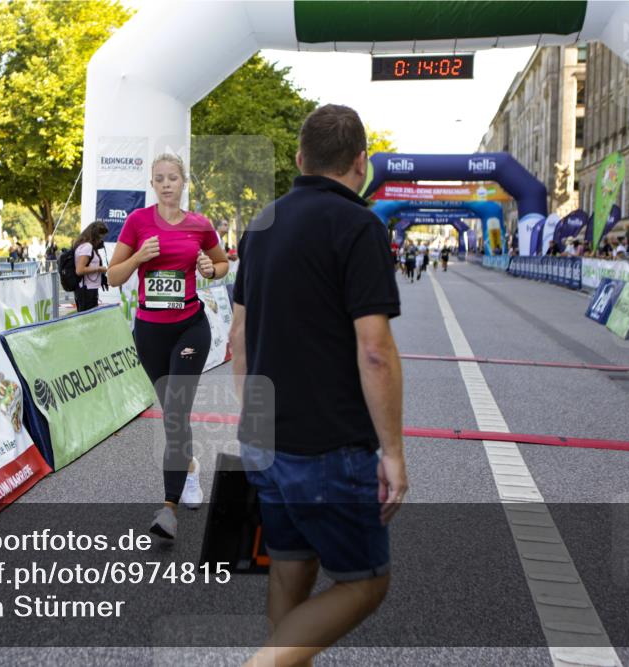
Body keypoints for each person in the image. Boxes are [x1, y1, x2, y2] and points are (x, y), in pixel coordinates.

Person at [231, 104, 406, 667]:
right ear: (361, 163)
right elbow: (375, 350)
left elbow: (238, 336)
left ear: (300, 158)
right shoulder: (359, 226)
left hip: (265, 436)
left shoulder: (261, 225)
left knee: (291, 565)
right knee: (365, 582)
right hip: (328, 444)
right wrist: (394, 452)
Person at [107, 153, 229, 539]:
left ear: (183, 182)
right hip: (150, 332)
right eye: (158, 178)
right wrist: (139, 256)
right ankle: (189, 468)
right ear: (152, 184)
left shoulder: (199, 224)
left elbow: (222, 264)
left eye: (172, 178)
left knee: (176, 413)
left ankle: (168, 509)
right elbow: (112, 276)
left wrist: (210, 269)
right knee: (172, 412)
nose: (165, 184)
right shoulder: (137, 222)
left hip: (190, 328)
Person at [72, 221, 109, 313]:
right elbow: (79, 270)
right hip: (87, 290)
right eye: (100, 237)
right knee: (88, 318)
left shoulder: (85, 245)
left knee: (88, 317)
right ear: (95, 235)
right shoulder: (87, 247)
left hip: (87, 288)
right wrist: (99, 268)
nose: (101, 240)